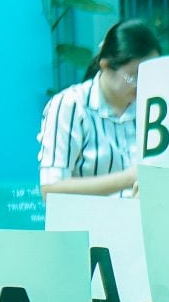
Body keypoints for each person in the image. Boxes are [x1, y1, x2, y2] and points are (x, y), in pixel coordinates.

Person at [40, 18, 159, 196]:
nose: (142, 85)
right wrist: (128, 178)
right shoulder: (71, 106)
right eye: (134, 76)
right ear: (106, 66)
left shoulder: (153, 108)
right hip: (88, 215)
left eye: (150, 76)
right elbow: (50, 190)